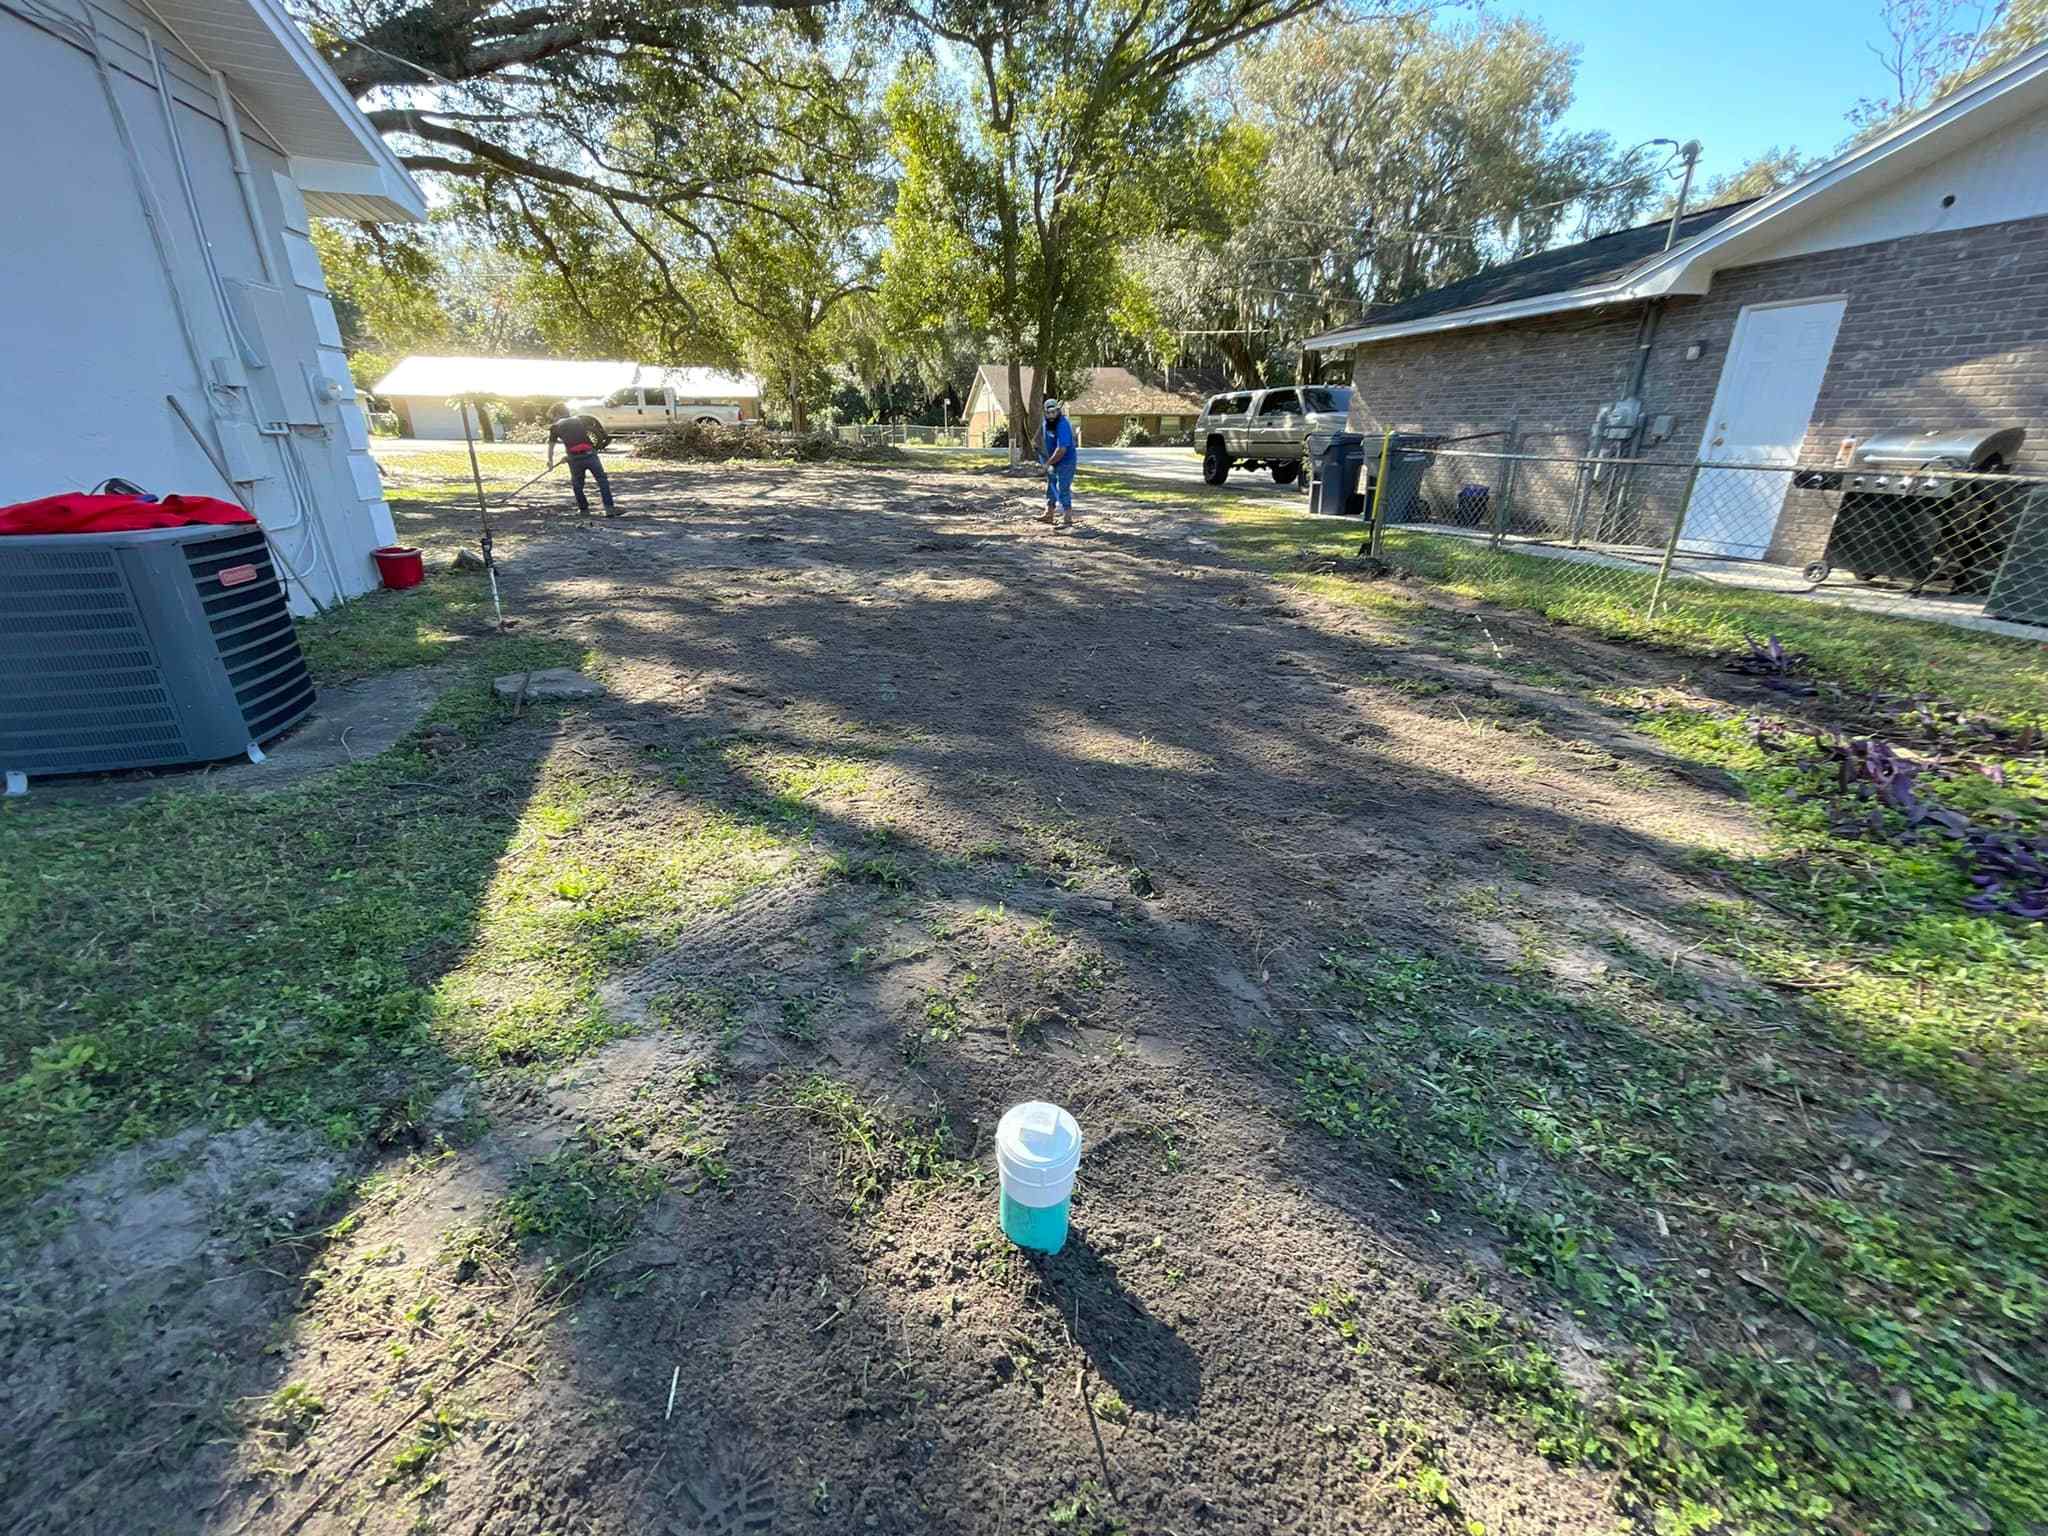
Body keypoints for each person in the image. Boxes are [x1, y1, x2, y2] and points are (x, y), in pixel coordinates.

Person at [547, 403, 617, 516]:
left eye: (553, 417)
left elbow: (551, 446)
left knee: (577, 484)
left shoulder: (555, 427)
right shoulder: (579, 420)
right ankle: (609, 508)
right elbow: (584, 436)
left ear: (557, 414)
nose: (553, 420)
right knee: (602, 480)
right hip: (590, 454)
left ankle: (583, 509)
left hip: (573, 458)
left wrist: (550, 461)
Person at [1039, 397, 1076, 529]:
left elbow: (1062, 449)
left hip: (1066, 461)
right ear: (1044, 412)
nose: (1051, 415)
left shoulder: (1063, 424)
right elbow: (1047, 441)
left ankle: (1067, 517)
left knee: (1063, 488)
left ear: (1058, 411)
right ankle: (1049, 513)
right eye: (1048, 413)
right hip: (1053, 460)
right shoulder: (1046, 423)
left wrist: (1048, 463)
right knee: (1051, 484)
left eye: (1054, 412)